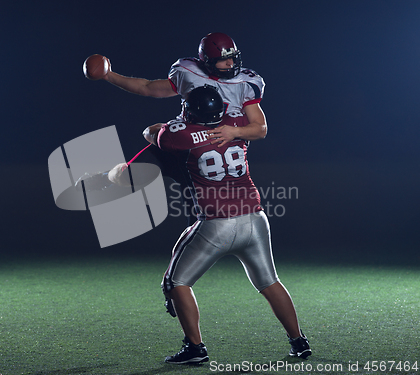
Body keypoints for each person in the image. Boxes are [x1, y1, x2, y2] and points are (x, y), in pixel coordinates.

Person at [143, 86, 311, 364]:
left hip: (216, 224)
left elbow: (151, 133)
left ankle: (195, 348)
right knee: (270, 281)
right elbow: (258, 128)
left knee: (176, 281)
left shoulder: (180, 135)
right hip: (255, 219)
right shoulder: (237, 125)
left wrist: (166, 127)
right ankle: (299, 341)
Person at [91, 32, 267, 147]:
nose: (231, 64)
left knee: (155, 135)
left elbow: (260, 128)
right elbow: (147, 88)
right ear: (207, 62)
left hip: (223, 144)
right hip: (189, 139)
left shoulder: (245, 83)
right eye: (225, 60)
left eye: (233, 58)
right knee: (150, 135)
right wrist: (109, 75)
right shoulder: (189, 72)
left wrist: (235, 132)